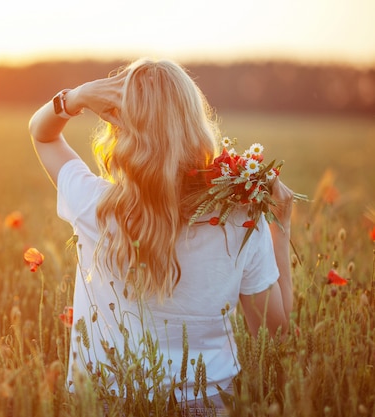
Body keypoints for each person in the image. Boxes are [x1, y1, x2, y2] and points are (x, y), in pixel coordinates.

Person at [28, 58, 294, 414]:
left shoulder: (93, 206)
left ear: (122, 129)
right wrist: (282, 225)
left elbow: (41, 132)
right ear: (194, 123)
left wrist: (76, 98)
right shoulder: (241, 217)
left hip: (105, 402)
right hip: (208, 404)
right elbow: (274, 333)